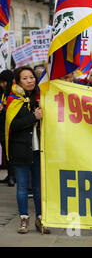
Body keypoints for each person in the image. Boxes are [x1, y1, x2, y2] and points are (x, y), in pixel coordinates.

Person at [6, 66, 50, 234]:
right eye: (25, 78)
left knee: (39, 188)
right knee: (23, 187)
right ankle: (24, 219)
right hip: (20, 150)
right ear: (18, 82)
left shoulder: (41, 98)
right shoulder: (13, 100)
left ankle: (41, 219)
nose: (30, 80)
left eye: (31, 77)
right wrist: (34, 117)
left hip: (39, 151)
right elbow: (12, 126)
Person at [0, 70, 14, 186]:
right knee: (6, 152)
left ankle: (12, 177)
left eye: (4, 82)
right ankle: (10, 175)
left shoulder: (14, 92)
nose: (2, 85)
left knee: (10, 153)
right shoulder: (3, 92)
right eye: (1, 82)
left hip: (10, 129)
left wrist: (3, 109)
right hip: (2, 128)